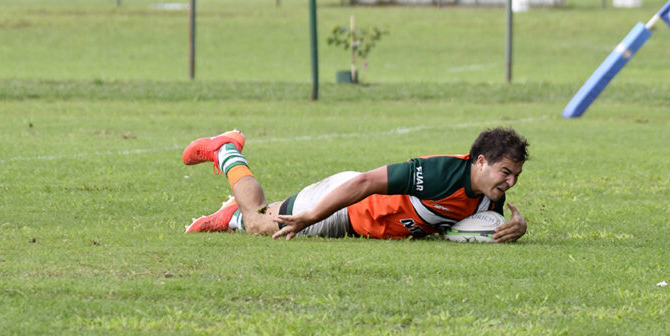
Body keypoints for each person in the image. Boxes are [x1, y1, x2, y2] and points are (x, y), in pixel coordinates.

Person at [181, 127, 529, 242]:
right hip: (346, 203)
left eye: (516, 176)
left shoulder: (489, 198)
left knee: (257, 221)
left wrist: (516, 228)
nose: (511, 182)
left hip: (361, 226)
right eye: (505, 172)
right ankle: (226, 150)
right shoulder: (440, 174)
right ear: (480, 162)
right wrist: (311, 215)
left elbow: (468, 226)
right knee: (260, 221)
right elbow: (366, 181)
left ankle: (229, 217)